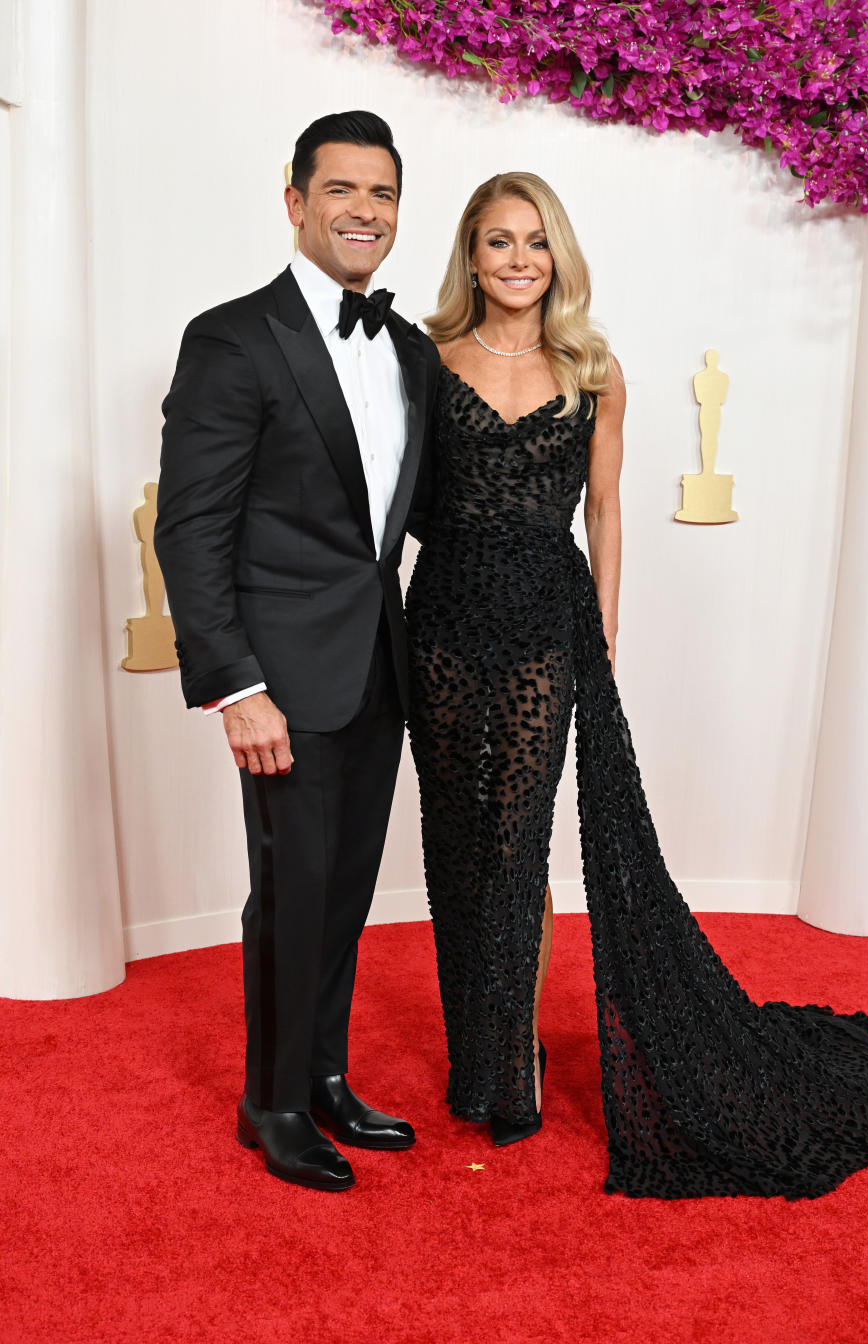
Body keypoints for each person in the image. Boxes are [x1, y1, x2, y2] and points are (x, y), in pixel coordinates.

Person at [406, 171, 868, 1198]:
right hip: (440, 618)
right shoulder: (427, 361)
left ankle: (510, 1063)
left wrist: (604, 631)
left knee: (519, 841)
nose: (519, 260)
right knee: (456, 838)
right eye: (497, 242)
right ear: (470, 257)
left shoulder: (595, 368)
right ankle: (470, 1052)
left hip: (544, 624)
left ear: (558, 255)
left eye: (535, 241)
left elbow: (606, 510)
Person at [155, 111, 440, 1192]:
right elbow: (190, 527)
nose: (364, 211)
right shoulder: (231, 338)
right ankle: (269, 1102)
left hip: (377, 669)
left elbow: (408, 517)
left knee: (345, 890)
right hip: (280, 680)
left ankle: (323, 1076)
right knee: (290, 891)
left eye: (382, 194)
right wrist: (236, 684)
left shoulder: (407, 350)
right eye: (341, 191)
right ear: (295, 201)